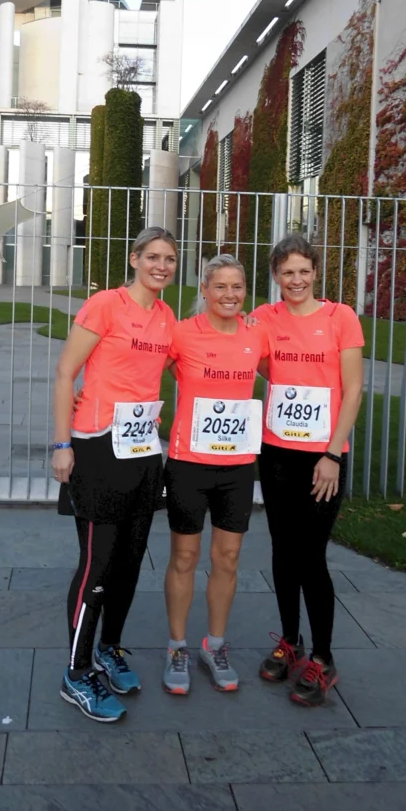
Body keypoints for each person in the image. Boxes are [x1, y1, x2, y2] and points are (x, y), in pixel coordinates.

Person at [51, 226, 178, 723]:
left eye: (169, 258)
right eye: (152, 256)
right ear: (134, 259)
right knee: (97, 566)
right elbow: (66, 372)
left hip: (143, 451)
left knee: (128, 563)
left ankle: (109, 649)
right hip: (97, 448)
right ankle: (77, 673)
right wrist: (63, 443)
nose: (161, 266)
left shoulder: (167, 317)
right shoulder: (105, 304)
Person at [251, 234, 364, 707]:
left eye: (304, 271)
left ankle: (322, 656)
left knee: (311, 555)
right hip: (276, 453)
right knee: (282, 550)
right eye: (287, 272)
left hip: (324, 458)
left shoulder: (341, 318)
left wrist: (333, 454)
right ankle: (290, 641)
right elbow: (237, 361)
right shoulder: (262, 319)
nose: (296, 280)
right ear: (275, 276)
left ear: (316, 272)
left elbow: (353, 390)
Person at [162, 254, 269, 695]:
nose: (229, 295)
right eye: (220, 286)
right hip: (189, 464)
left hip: (238, 467)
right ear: (204, 290)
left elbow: (296, 376)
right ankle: (177, 647)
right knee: (185, 557)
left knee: (226, 558)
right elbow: (140, 372)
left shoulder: (256, 337)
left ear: (246, 292)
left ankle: (216, 645)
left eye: (237, 287)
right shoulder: (183, 333)